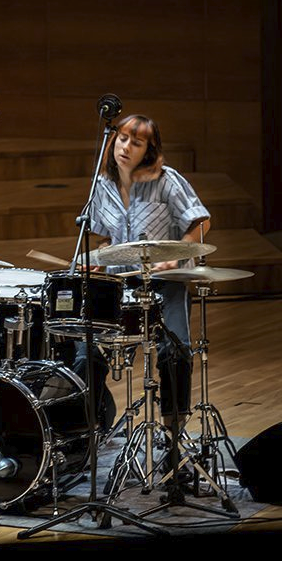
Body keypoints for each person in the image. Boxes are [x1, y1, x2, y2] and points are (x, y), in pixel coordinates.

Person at [72, 113, 211, 453]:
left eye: (136, 142)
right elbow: (104, 239)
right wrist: (95, 261)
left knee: (174, 352)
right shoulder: (102, 184)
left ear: (149, 149)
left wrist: (177, 257)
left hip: (165, 282)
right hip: (121, 284)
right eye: (121, 139)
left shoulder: (167, 180)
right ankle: (87, 428)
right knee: (84, 351)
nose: (125, 147)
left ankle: (173, 436)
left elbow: (201, 221)